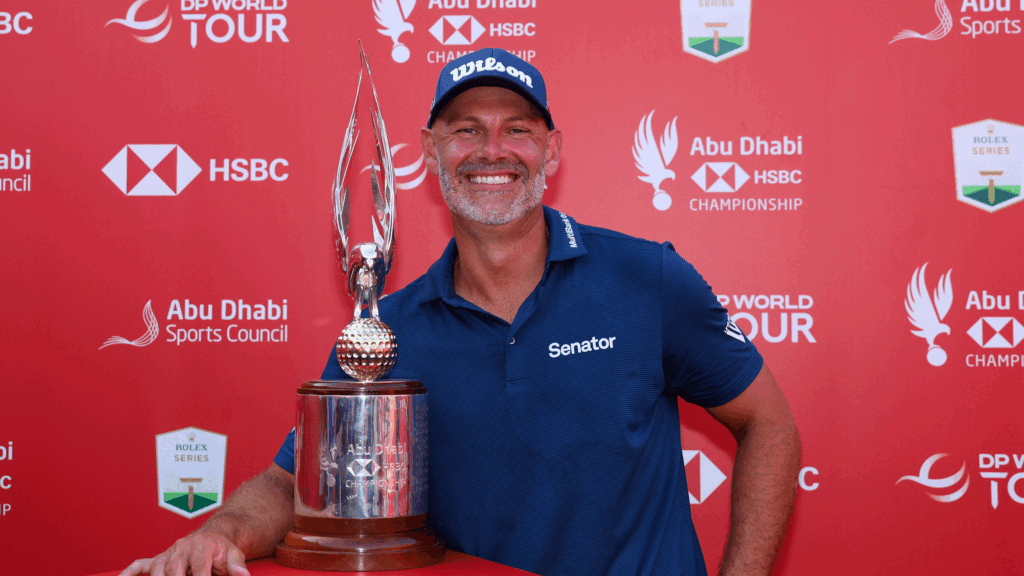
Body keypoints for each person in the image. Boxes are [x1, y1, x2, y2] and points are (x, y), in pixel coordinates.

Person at [122, 48, 801, 576]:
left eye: (518, 129)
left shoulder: (645, 278)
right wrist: (218, 534)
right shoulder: (389, 332)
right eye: (466, 129)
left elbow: (768, 422)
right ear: (429, 151)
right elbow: (287, 484)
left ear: (552, 149)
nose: (492, 150)